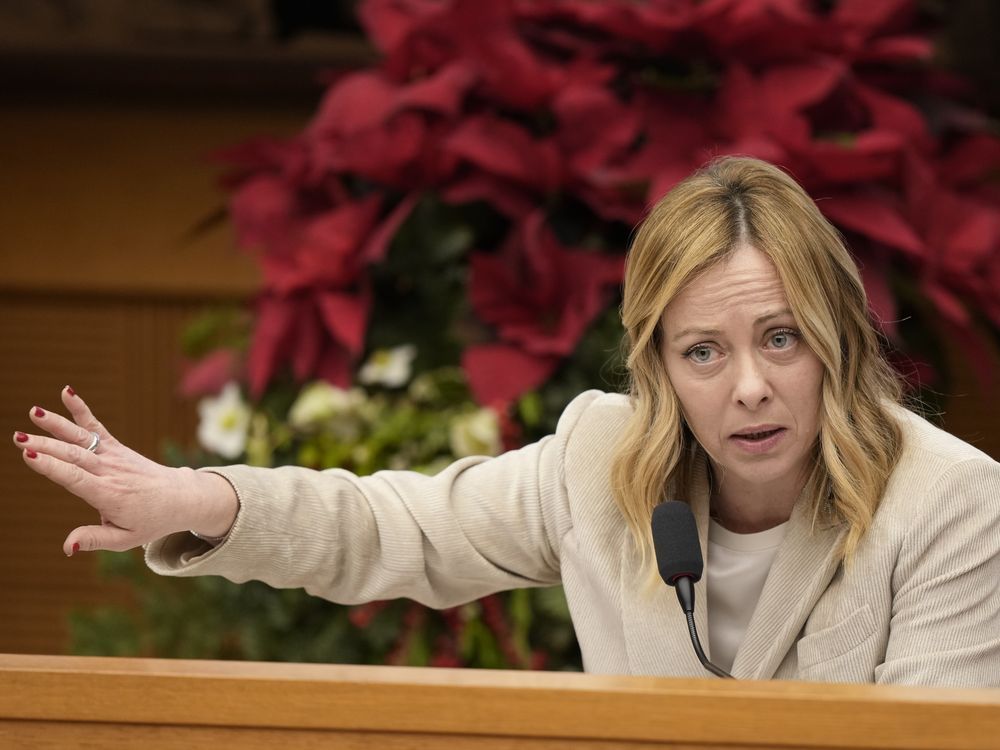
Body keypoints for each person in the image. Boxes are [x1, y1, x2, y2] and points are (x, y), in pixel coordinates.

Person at [12, 157, 1000, 687]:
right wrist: (207, 501)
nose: (747, 387)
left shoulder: (951, 506)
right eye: (702, 351)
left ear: (836, 335)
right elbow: (392, 527)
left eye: (780, 339)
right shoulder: (599, 461)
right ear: (656, 365)